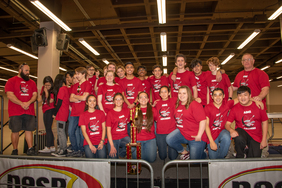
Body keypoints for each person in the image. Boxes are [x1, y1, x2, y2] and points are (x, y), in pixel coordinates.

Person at [225, 86, 268, 158]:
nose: (243, 97)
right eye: (240, 95)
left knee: (254, 158)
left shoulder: (259, 106)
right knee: (238, 136)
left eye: (245, 95)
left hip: (256, 137)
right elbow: (227, 124)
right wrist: (231, 130)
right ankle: (240, 155)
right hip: (242, 134)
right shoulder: (234, 108)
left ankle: (248, 151)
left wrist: (264, 140)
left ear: (250, 96)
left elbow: (265, 122)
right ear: (237, 97)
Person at [5, 63, 37, 155]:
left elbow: (35, 95)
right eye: (26, 70)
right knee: (15, 130)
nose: (28, 73)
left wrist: (28, 102)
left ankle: (30, 148)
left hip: (29, 110)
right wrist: (21, 103)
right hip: (15, 111)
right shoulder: (11, 81)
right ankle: (15, 149)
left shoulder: (32, 82)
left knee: (29, 130)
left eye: (29, 71)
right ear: (20, 70)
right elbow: (10, 95)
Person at [166, 86, 206, 160]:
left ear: (189, 94)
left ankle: (203, 152)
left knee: (194, 162)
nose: (181, 95)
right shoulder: (177, 105)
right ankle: (185, 152)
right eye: (180, 93)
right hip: (183, 133)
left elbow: (203, 120)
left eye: (184, 93)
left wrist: (199, 135)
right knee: (169, 139)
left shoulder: (195, 105)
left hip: (195, 136)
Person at [69, 67, 92, 157]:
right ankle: (75, 149)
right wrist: (79, 97)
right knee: (71, 132)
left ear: (83, 74)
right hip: (74, 113)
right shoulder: (74, 86)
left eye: (78, 74)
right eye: (76, 73)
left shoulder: (88, 84)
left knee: (82, 133)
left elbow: (84, 98)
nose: (76, 75)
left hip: (83, 113)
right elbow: (71, 98)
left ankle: (82, 150)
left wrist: (76, 97)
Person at [154, 86, 178, 160]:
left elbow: (186, 98)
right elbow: (154, 116)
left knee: (172, 157)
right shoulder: (157, 103)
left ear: (169, 93)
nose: (164, 94)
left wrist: (196, 99)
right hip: (160, 132)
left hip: (172, 131)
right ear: (159, 94)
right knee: (162, 156)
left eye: (165, 92)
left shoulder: (174, 100)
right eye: (162, 92)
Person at [132, 92, 157, 163]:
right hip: (138, 139)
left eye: (145, 97)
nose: (143, 99)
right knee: (139, 160)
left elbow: (158, 121)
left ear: (148, 99)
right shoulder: (133, 110)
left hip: (150, 138)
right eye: (141, 97)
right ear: (138, 100)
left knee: (151, 159)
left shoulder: (153, 110)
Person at [106, 93, 130, 159]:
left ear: (123, 101)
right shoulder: (110, 113)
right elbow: (108, 131)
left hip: (124, 137)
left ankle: (121, 154)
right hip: (113, 138)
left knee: (133, 147)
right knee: (113, 159)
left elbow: (130, 120)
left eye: (120, 99)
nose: (118, 101)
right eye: (116, 99)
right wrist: (112, 145)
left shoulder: (127, 111)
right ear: (113, 101)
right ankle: (114, 150)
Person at [51, 74, 70, 157]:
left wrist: (54, 113)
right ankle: (61, 148)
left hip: (61, 113)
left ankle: (63, 149)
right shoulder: (66, 89)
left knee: (61, 132)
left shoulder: (62, 89)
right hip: (63, 113)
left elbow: (59, 103)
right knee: (60, 131)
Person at [38, 76, 56, 153]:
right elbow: (41, 98)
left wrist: (46, 92)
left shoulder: (52, 90)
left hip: (50, 109)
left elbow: (51, 100)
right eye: (46, 85)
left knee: (48, 128)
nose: (47, 87)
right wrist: (34, 101)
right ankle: (52, 146)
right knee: (48, 128)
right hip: (44, 109)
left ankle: (48, 146)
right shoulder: (43, 88)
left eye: (49, 85)